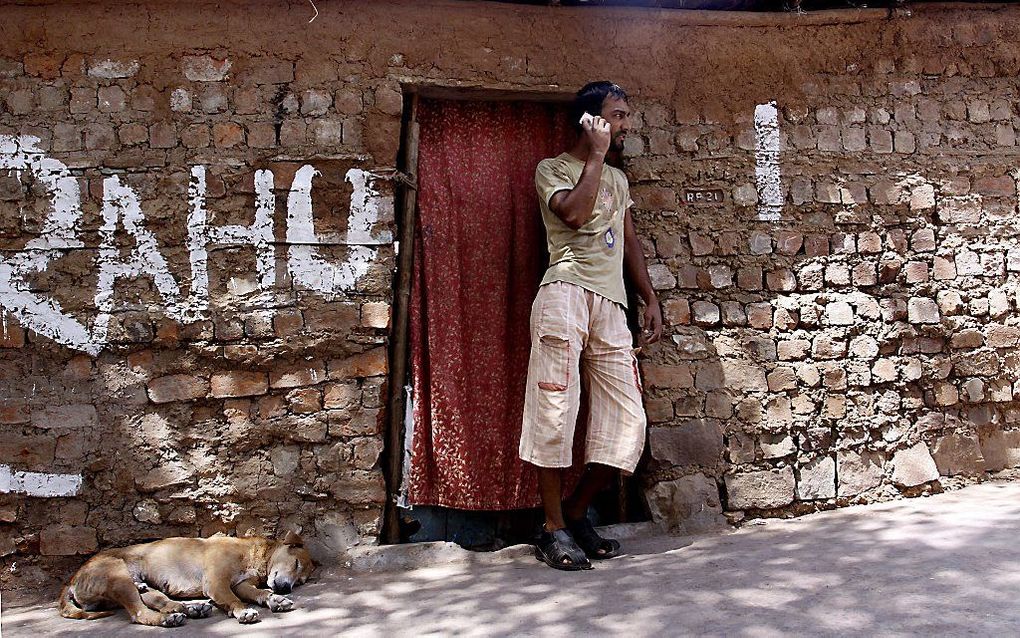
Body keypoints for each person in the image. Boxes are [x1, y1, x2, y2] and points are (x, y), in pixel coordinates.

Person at [520, 81, 663, 570]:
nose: (625, 125)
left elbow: (629, 242)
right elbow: (577, 216)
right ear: (591, 121)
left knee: (628, 421)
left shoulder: (619, 182)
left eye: (625, 116)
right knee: (555, 412)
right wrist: (597, 157)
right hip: (563, 295)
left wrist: (648, 297)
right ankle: (553, 528)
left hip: (610, 303)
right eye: (617, 116)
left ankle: (578, 513)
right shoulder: (552, 170)